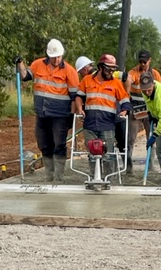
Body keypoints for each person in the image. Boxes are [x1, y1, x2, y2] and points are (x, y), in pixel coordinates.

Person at [15, 39, 82, 183]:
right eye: (54, 57)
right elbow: (26, 76)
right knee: (44, 144)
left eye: (59, 56)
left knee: (59, 144)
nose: (56, 59)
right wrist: (20, 64)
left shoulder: (69, 71)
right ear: (48, 55)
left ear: (62, 55)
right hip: (42, 114)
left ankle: (58, 177)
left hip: (60, 115)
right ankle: (49, 175)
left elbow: (74, 96)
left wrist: (71, 116)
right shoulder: (38, 64)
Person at [75, 54, 130, 176]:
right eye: (108, 69)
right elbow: (79, 96)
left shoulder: (115, 83)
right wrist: (80, 109)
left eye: (113, 69)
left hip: (107, 124)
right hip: (90, 124)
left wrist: (124, 111)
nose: (111, 72)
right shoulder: (87, 80)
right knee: (92, 155)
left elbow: (125, 99)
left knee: (108, 155)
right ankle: (94, 178)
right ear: (100, 67)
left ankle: (108, 179)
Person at [123, 50, 161, 173]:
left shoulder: (155, 74)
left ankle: (151, 165)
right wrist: (127, 95)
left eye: (144, 61)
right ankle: (128, 167)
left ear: (150, 60)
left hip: (150, 111)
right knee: (130, 138)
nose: (142, 64)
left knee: (151, 138)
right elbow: (129, 80)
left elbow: (160, 91)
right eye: (140, 61)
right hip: (135, 111)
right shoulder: (134, 72)